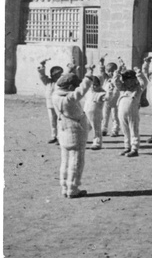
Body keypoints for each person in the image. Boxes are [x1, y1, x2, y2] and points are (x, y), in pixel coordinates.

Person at [52, 64, 95, 198]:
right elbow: (82, 90)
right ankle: (73, 189)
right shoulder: (69, 99)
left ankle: (64, 187)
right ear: (70, 88)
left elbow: (64, 84)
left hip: (63, 132)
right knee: (76, 162)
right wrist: (89, 73)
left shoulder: (55, 94)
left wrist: (70, 71)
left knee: (65, 162)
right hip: (75, 133)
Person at [112, 58, 148, 157]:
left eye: (129, 79)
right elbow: (115, 82)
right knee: (125, 130)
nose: (127, 82)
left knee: (133, 129)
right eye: (125, 79)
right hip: (121, 111)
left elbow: (144, 82)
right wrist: (117, 72)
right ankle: (127, 147)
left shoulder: (138, 88)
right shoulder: (123, 88)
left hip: (132, 111)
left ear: (134, 79)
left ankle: (134, 148)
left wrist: (139, 73)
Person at [37, 58, 67, 144]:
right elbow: (42, 75)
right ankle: (54, 136)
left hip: (59, 105)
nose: (56, 76)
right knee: (52, 121)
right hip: (50, 105)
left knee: (60, 121)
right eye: (55, 74)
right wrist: (42, 66)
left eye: (58, 74)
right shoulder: (48, 82)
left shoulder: (61, 82)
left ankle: (60, 137)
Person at [83, 73, 115, 150]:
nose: (94, 86)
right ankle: (82, 140)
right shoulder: (89, 92)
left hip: (96, 114)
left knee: (96, 128)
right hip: (86, 112)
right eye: (92, 84)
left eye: (96, 85)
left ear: (100, 84)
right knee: (84, 128)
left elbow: (107, 98)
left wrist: (110, 91)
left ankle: (97, 142)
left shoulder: (101, 93)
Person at [99, 57, 121, 137]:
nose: (110, 73)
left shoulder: (118, 79)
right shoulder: (106, 78)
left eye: (112, 71)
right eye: (109, 71)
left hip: (115, 102)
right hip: (106, 101)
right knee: (104, 116)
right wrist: (101, 64)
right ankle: (104, 129)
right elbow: (102, 72)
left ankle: (115, 129)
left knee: (115, 116)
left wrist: (118, 72)